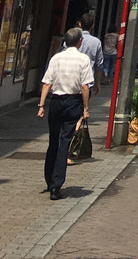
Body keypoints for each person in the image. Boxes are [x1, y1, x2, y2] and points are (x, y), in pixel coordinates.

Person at [37, 28, 94, 200]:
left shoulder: (56, 58)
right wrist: (85, 108)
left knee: (53, 140)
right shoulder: (83, 59)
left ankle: (49, 180)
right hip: (73, 102)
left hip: (56, 102)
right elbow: (85, 86)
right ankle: (56, 184)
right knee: (65, 142)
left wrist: (41, 105)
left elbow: (47, 83)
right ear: (79, 42)